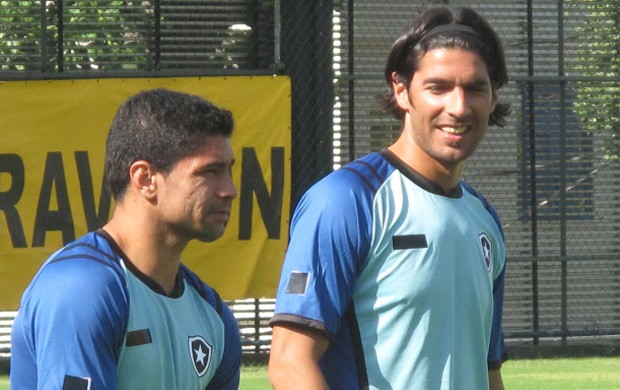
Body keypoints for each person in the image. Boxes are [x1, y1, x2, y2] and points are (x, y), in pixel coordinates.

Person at [268, 5, 510, 390]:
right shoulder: (345, 200)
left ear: (494, 97)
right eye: (439, 87)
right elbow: (289, 362)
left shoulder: (484, 219)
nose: (459, 106)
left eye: (475, 88)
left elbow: (488, 369)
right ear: (401, 89)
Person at [10, 88, 242, 389]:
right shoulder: (80, 290)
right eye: (208, 172)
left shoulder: (213, 317)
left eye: (228, 171)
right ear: (145, 179)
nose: (229, 190)